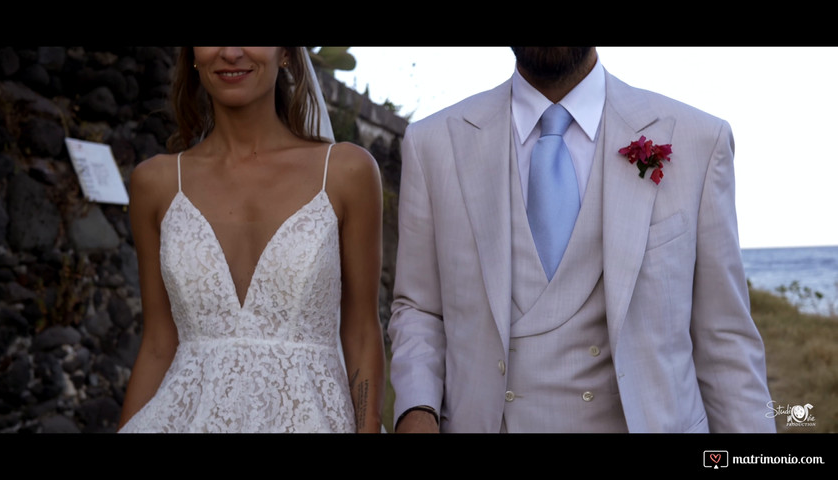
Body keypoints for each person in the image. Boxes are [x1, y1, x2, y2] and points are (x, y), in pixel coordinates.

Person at [387, 47, 776, 433]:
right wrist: (416, 409)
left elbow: (725, 340)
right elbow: (420, 309)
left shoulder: (699, 141)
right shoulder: (432, 144)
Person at [118, 46, 385, 433]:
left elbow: (361, 329)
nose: (230, 52)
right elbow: (159, 343)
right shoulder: (154, 183)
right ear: (193, 54)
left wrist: (369, 425)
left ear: (287, 54)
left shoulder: (346, 171)